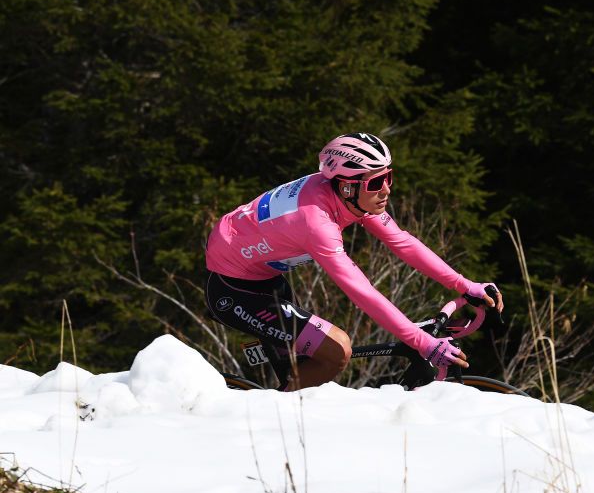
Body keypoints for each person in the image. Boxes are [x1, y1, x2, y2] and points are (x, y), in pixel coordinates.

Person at [204, 132, 501, 391]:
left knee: (309, 373)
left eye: (388, 177)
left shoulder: (347, 195)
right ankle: (274, 427)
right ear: (347, 186)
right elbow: (362, 291)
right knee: (336, 352)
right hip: (234, 289)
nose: (386, 189)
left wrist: (465, 286)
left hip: (265, 277)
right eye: (376, 183)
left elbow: (402, 241)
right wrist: (423, 343)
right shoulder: (315, 223)